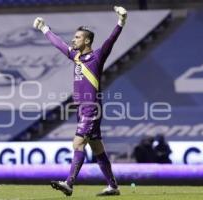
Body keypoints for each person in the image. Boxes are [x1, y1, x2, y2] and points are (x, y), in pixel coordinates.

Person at [33, 6, 127, 196]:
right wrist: (44, 28)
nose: (73, 40)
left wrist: (121, 22)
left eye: (77, 37)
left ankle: (69, 183)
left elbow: (110, 41)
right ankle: (113, 186)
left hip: (91, 108)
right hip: (82, 109)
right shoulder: (75, 56)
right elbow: (59, 44)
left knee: (77, 144)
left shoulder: (97, 57)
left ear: (87, 40)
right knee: (97, 148)